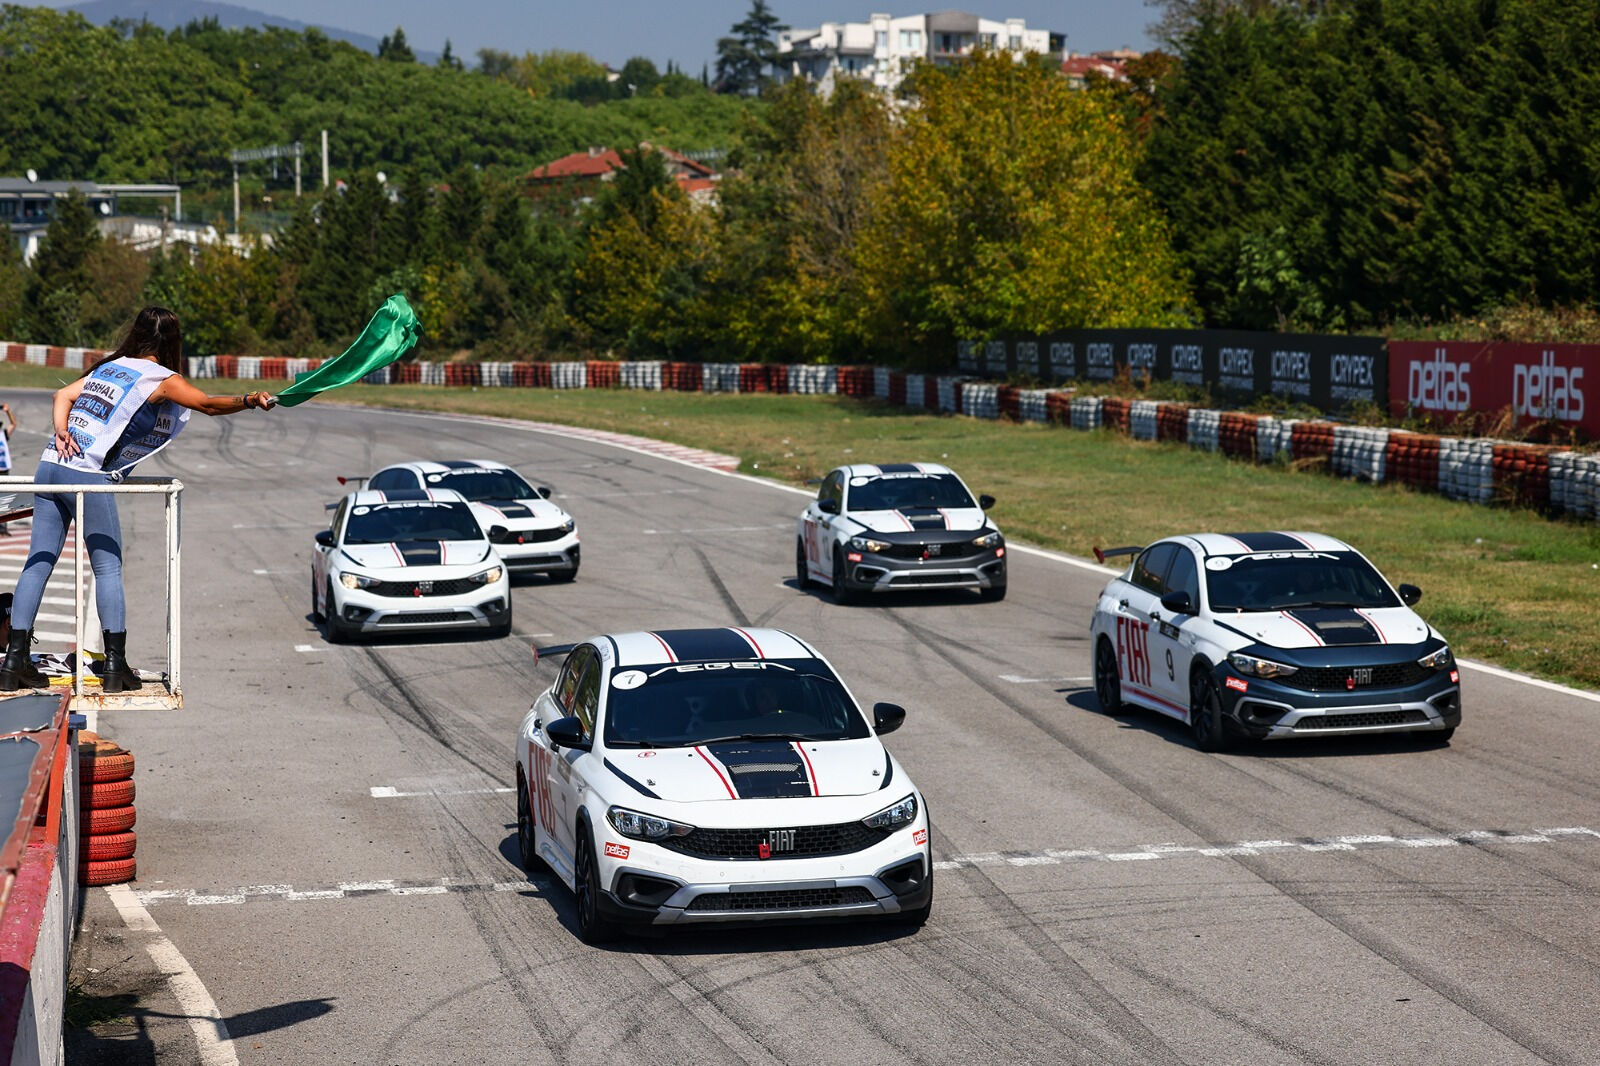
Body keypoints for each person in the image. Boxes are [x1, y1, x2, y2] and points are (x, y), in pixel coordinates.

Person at [0, 306, 276, 693]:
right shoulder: (160, 378)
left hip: (50, 465)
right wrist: (249, 399)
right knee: (108, 568)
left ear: (137, 334)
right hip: (86, 474)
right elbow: (207, 404)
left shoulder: (112, 367)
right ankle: (115, 666)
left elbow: (62, 394)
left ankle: (14, 662)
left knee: (38, 562)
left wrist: (62, 430)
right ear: (172, 342)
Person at [0, 400, 16, 535]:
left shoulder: (3, 435)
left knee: (4, 499)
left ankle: (3, 527)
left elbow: (13, 424)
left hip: (4, 470)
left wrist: (8, 411)